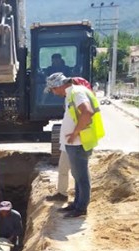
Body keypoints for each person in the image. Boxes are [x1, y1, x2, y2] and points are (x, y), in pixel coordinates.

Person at [45, 72, 105, 218]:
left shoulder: (77, 92)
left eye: (53, 90)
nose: (53, 93)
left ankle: (81, 208)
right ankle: (77, 204)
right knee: (77, 175)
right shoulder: (71, 93)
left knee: (82, 176)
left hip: (79, 142)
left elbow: (87, 112)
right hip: (76, 143)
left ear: (58, 86)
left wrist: (75, 133)